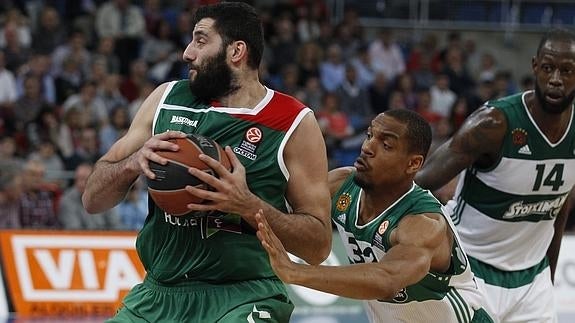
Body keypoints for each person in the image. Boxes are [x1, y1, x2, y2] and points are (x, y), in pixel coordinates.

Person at [82, 2, 331, 322]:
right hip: (158, 294)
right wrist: (133, 164)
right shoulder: (166, 98)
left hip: (245, 295)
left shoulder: (294, 122)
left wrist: (248, 205)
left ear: (236, 51)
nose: (187, 53)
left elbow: (318, 246)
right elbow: (91, 200)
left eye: (200, 40)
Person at [256, 109, 493, 323]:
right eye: (370, 135)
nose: (367, 147)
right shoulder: (341, 184)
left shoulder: (424, 222)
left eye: (386, 145)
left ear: (413, 163)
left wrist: (296, 272)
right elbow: (280, 215)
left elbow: (386, 281)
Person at [415, 28, 575, 322]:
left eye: (567, 70)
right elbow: (419, 183)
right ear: (535, 67)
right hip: (470, 271)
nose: (556, 79)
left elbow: (561, 211)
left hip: (532, 280)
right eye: (549, 68)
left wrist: (548, 281)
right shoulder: (494, 123)